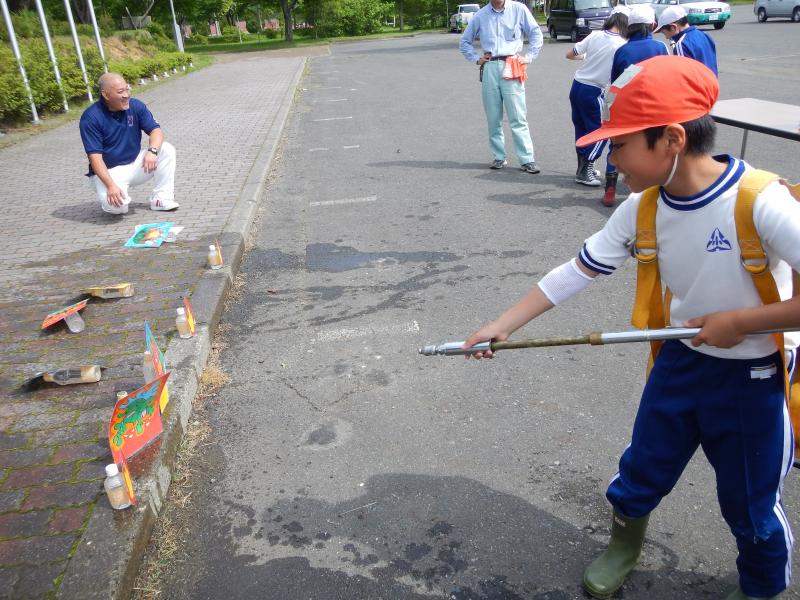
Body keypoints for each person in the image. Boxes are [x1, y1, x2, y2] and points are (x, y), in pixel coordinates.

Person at [463, 56, 798, 600]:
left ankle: (761, 586)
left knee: (751, 501)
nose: (610, 159)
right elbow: (576, 270)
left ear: (670, 139)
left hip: (753, 378)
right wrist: (499, 325)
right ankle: (624, 544)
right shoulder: (644, 208)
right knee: (643, 466)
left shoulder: (759, 201)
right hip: (680, 362)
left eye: (619, 146)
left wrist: (742, 321)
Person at [459, 0, 544, 174]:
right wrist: (476, 59)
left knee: (518, 115)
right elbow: (464, 41)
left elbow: (536, 33)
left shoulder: (518, 9)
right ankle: (499, 156)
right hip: (490, 65)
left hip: (512, 63)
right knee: (493, 116)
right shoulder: (481, 15)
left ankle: (527, 159)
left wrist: (529, 56)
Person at [79, 72, 178, 215]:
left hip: (134, 164)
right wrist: (111, 186)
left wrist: (152, 151)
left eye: (127, 89)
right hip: (109, 172)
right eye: (120, 92)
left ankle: (161, 199)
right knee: (118, 209)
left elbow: (156, 131)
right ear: (105, 95)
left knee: (166, 149)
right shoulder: (91, 118)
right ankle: (108, 194)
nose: (126, 95)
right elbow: (95, 158)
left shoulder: (136, 106)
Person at [601, 4, 669, 206]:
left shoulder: (622, 50)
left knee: (618, 146)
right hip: (654, 107)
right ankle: (650, 191)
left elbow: (615, 82)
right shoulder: (660, 47)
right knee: (652, 146)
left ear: (629, 28)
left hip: (627, 106)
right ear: (652, 25)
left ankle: (610, 189)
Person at [566, 10, 628, 188]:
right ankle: (587, 169)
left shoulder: (595, 35)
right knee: (601, 131)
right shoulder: (622, 44)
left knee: (582, 128)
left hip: (577, 85)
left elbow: (570, 54)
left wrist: (589, 57)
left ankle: (582, 168)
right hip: (594, 90)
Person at [654, 5, 719, 76]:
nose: (666, 37)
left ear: (673, 27)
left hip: (697, 86)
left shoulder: (681, 44)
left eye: (664, 33)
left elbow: (684, 76)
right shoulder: (704, 35)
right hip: (712, 82)